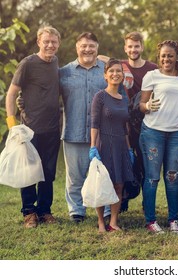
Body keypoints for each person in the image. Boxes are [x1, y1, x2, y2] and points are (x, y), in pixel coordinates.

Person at [5, 26, 61, 228]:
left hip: (53, 128)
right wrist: (12, 124)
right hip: (29, 130)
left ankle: (45, 211)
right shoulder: (27, 63)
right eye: (46, 41)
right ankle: (29, 212)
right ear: (39, 42)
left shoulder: (55, 62)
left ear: (58, 44)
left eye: (54, 42)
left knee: (48, 172)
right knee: (29, 171)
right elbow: (12, 94)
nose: (50, 45)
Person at [139, 40, 178, 234]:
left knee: (173, 178)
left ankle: (173, 220)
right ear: (159, 57)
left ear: (177, 57)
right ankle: (151, 221)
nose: (166, 59)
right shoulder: (151, 76)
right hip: (153, 132)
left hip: (176, 134)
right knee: (152, 178)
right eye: (163, 55)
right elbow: (141, 104)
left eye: (170, 55)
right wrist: (147, 106)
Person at [98, 31, 158, 212]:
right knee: (123, 162)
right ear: (125, 48)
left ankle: (147, 203)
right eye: (130, 46)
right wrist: (123, 68)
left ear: (142, 47)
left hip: (145, 122)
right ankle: (122, 202)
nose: (133, 49)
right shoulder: (120, 66)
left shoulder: (151, 68)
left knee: (146, 165)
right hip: (123, 121)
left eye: (136, 46)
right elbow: (100, 57)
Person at [59, 32, 108, 223]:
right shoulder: (64, 72)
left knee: (103, 174)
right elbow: (46, 94)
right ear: (76, 48)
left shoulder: (107, 70)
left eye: (91, 46)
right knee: (75, 176)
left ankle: (105, 210)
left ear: (97, 48)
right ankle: (77, 211)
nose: (87, 49)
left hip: (103, 133)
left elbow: (119, 95)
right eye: (83, 46)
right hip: (73, 131)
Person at [90, 58, 134, 233]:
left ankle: (113, 222)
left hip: (120, 145)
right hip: (104, 145)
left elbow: (125, 127)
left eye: (118, 71)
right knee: (102, 184)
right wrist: (93, 147)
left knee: (119, 184)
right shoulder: (100, 96)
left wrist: (129, 148)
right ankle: (101, 222)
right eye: (112, 71)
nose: (115, 74)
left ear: (123, 76)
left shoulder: (124, 99)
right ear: (105, 75)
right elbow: (94, 124)